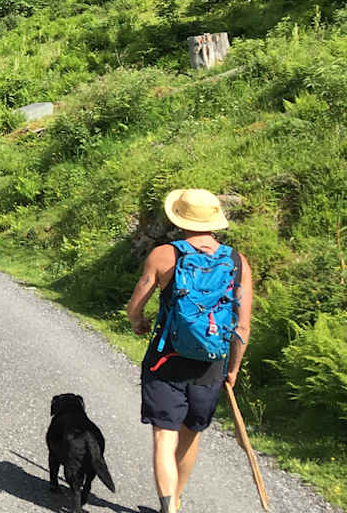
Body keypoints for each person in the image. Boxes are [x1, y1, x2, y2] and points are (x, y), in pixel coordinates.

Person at [125, 189, 254, 513]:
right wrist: (233, 368)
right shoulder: (237, 262)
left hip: (166, 359)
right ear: (213, 220)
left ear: (179, 218)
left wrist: (138, 321)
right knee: (191, 434)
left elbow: (134, 307)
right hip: (211, 364)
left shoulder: (164, 255)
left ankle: (167, 507)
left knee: (163, 437)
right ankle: (177, 499)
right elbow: (241, 328)